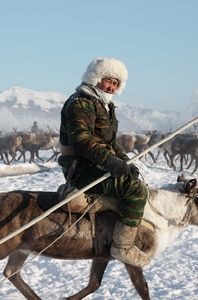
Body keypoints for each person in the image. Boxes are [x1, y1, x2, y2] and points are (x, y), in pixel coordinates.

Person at [58, 57, 150, 267]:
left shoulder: (104, 105)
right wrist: (110, 161)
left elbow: (110, 143)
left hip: (98, 164)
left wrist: (124, 162)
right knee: (136, 191)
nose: (111, 86)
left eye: (116, 83)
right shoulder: (81, 102)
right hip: (81, 168)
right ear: (96, 78)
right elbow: (81, 141)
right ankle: (122, 246)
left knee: (134, 180)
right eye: (108, 80)